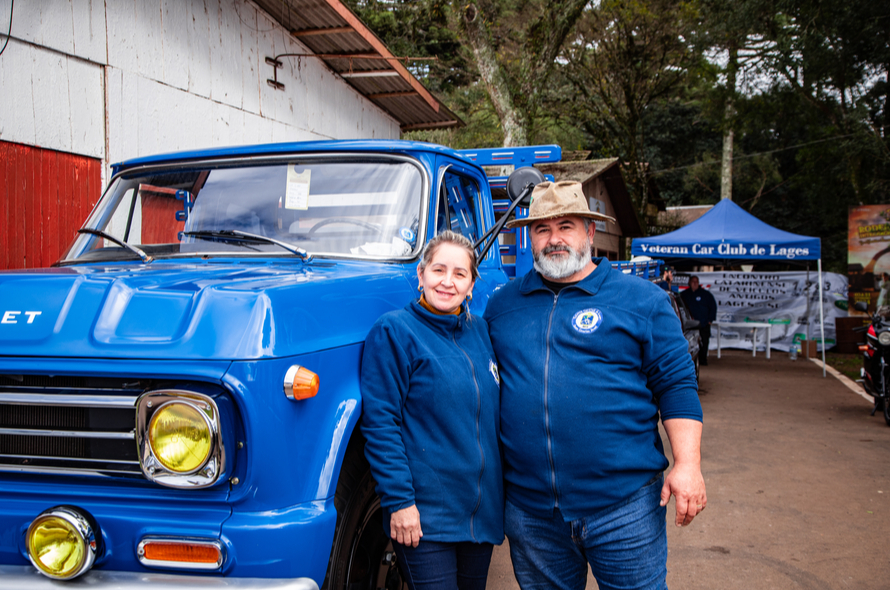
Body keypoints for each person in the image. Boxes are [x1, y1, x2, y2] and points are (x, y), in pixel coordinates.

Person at [482, 180, 705, 590]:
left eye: (566, 226)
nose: (554, 239)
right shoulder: (502, 306)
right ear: (529, 237)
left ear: (589, 231)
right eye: (542, 229)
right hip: (532, 515)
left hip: (624, 508)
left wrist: (687, 463)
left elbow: (676, 384)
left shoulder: (641, 300)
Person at [360, 230, 503, 590]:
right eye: (439, 270)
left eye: (460, 274)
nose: (448, 282)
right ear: (420, 274)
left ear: (471, 285)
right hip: (424, 518)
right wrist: (400, 502)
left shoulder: (480, 332)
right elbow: (381, 424)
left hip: (479, 517)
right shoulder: (395, 331)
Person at [681, 275, 718, 365]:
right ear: (689, 283)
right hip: (689, 325)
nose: (695, 283)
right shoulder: (684, 295)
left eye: (696, 282)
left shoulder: (706, 294)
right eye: (693, 281)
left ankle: (703, 360)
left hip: (703, 323)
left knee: (704, 342)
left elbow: (713, 307)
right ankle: (689, 361)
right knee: (689, 343)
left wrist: (710, 320)